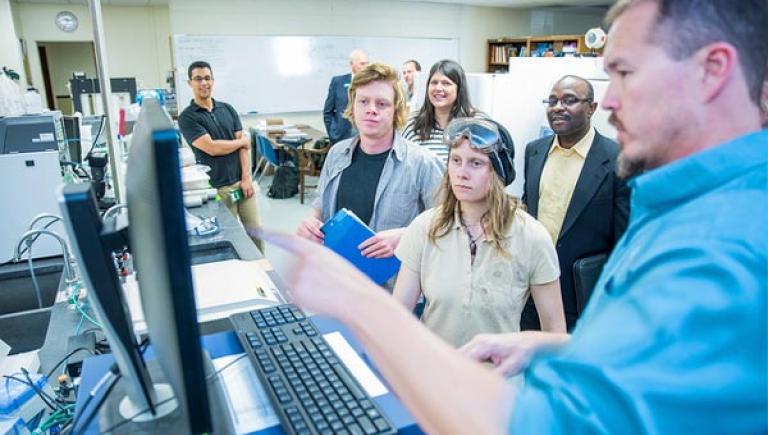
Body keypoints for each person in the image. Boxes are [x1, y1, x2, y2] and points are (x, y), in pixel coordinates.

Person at [264, 0, 767, 433]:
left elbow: (549, 428)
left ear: (712, 70)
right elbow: (646, 373)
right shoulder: (682, 206)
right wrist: (550, 348)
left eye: (625, 73)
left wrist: (356, 303)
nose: (608, 103)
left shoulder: (723, 251)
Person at [394, 118, 566, 349]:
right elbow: (398, 315)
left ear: (497, 172)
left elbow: (555, 336)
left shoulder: (532, 237)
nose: (461, 173)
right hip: (434, 375)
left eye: (475, 163)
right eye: (455, 161)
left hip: (498, 381)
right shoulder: (425, 228)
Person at [297, 63, 443, 261]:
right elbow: (320, 206)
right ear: (353, 106)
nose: (371, 110)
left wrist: (406, 237)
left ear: (396, 110)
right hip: (336, 274)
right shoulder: (337, 154)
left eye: (381, 104)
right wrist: (310, 222)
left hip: (393, 286)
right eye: (363, 101)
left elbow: (446, 223)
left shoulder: (422, 163)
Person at [520, 75, 630, 331]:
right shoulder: (534, 151)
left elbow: (624, 239)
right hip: (532, 289)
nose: (558, 107)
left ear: (591, 108)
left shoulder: (617, 159)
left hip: (584, 293)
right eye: (553, 101)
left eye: (570, 100)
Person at [178, 60, 263, 251]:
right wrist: (242, 141)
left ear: (213, 81)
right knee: (231, 237)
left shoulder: (227, 109)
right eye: (198, 79)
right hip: (218, 190)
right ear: (189, 83)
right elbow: (212, 148)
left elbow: (243, 149)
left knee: (256, 233)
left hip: (242, 186)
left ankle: (263, 273)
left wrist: (246, 179)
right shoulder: (187, 118)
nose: (203, 83)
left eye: (207, 78)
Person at [402, 60, 483, 164]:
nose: (438, 88)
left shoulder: (477, 123)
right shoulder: (413, 123)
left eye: (446, 83)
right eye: (434, 82)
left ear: (459, 89)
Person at [323, 49, 369, 145]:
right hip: (342, 137)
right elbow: (328, 111)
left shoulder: (372, 83)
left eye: (367, 64)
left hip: (365, 137)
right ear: (352, 64)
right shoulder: (338, 82)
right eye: (362, 64)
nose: (366, 67)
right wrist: (333, 133)